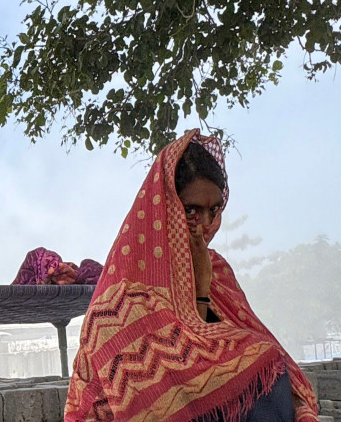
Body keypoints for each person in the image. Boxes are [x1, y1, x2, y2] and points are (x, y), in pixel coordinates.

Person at [64, 130, 320, 422]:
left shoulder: (216, 270)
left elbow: (234, 347)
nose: (207, 224)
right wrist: (198, 287)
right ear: (164, 207)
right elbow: (174, 384)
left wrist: (202, 278)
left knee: (266, 361)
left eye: (213, 210)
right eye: (192, 211)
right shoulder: (120, 301)